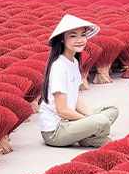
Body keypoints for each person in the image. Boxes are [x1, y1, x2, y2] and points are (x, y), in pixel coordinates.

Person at [39, 15, 119, 148]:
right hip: (56, 130)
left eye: (83, 35)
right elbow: (62, 111)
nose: (80, 40)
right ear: (62, 40)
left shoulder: (73, 62)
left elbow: (74, 98)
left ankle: (86, 134)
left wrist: (90, 114)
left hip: (71, 121)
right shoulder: (59, 67)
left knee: (111, 109)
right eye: (73, 36)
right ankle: (88, 136)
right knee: (102, 121)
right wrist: (89, 120)